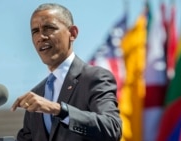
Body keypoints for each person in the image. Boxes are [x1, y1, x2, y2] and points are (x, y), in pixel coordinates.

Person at [11, 3, 122, 141]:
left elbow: (111, 128)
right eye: (35, 31)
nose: (41, 37)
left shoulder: (94, 78)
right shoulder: (37, 94)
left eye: (49, 28)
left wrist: (58, 109)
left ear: (73, 33)